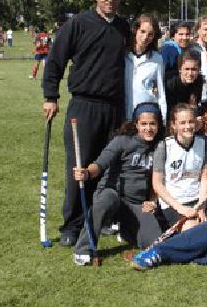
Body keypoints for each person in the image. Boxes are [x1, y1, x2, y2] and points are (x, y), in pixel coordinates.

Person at [42, 0, 130, 247]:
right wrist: (51, 96)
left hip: (114, 107)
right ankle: (72, 225)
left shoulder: (124, 28)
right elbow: (55, 60)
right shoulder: (78, 24)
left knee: (107, 168)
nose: (109, 0)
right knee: (78, 166)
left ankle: (100, 218)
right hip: (83, 105)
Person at [70, 103, 167, 265]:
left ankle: (127, 231)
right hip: (112, 195)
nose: (148, 128)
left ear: (158, 125)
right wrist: (86, 173)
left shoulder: (161, 146)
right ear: (136, 125)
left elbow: (158, 180)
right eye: (143, 124)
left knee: (155, 243)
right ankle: (83, 249)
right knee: (106, 199)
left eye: (152, 124)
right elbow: (100, 164)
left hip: (137, 202)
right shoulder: (122, 141)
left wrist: (152, 200)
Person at [152, 103, 207, 233]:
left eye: (191, 122)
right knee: (193, 229)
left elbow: (204, 179)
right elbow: (157, 184)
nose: (188, 126)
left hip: (197, 199)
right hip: (174, 203)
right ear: (174, 125)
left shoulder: (204, 143)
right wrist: (180, 208)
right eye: (182, 123)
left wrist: (202, 205)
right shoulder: (164, 147)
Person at [124, 14, 169, 121]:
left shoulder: (156, 59)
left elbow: (161, 93)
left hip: (146, 117)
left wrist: (163, 120)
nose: (145, 37)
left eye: (150, 34)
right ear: (135, 30)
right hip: (124, 115)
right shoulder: (123, 56)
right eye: (142, 31)